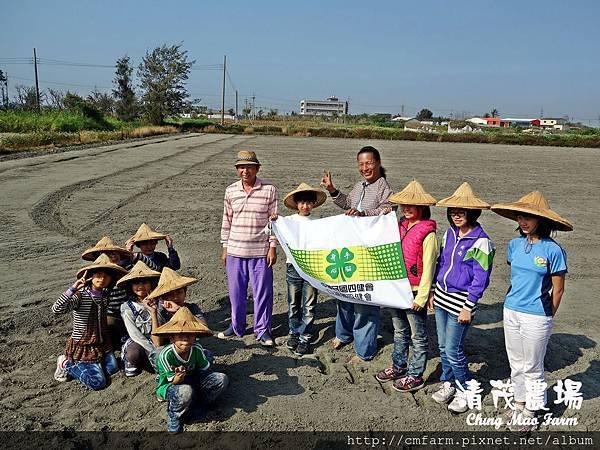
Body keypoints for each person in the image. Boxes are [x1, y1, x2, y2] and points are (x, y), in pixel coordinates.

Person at [491, 191, 572, 431]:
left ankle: (532, 411)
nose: (523, 221)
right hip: (511, 310)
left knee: (533, 365)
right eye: (520, 216)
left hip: (537, 315)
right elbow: (516, 279)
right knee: (515, 362)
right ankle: (519, 403)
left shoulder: (553, 250)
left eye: (529, 217)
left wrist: (547, 316)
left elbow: (558, 290)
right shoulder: (514, 245)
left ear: (541, 220)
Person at [320, 145, 393, 363]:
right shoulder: (360, 185)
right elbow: (349, 204)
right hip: (350, 250)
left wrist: (363, 214)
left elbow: (387, 210)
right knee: (344, 293)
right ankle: (343, 334)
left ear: (378, 163)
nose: (364, 168)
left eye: (369, 163)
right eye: (361, 164)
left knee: (364, 301)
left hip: (369, 253)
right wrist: (333, 190)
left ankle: (364, 350)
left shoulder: (383, 187)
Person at [427, 182, 495, 413]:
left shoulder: (481, 241)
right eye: (453, 211)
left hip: (461, 303)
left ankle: (466, 389)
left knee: (454, 349)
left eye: (461, 211)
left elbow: (481, 278)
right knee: (444, 346)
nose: (456, 215)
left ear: (472, 213)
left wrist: (469, 306)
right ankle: (449, 384)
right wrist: (434, 292)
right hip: (442, 297)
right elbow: (442, 264)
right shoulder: (448, 233)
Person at [376, 179, 438, 392]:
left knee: (418, 335)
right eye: (404, 205)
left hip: (414, 292)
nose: (407, 208)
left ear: (422, 207)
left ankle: (416, 374)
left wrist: (422, 297)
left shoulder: (428, 233)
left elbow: (429, 267)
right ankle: (398, 365)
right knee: (399, 331)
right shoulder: (398, 226)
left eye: (412, 205)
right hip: (396, 289)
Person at [218, 150, 278, 347]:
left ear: (257, 168)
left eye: (249, 166)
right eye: (241, 167)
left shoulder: (269, 190)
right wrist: (225, 246)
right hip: (235, 249)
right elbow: (226, 221)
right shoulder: (230, 191)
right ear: (237, 170)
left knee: (263, 293)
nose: (245, 171)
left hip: (260, 252)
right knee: (236, 293)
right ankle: (237, 327)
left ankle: (262, 330)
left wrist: (272, 247)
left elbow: (273, 222)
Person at [52, 253, 128, 390]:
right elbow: (57, 309)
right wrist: (72, 289)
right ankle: (66, 364)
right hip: (84, 344)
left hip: (100, 343)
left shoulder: (105, 296)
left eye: (106, 276)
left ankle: (94, 365)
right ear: (91, 276)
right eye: (98, 275)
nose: (102, 278)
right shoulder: (80, 296)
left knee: (112, 369)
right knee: (98, 383)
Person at [271, 183, 327, 356]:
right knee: (293, 303)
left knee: (309, 304)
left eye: (308, 202)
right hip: (293, 267)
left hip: (311, 268)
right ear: (296, 204)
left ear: (313, 204)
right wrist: (274, 220)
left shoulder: (318, 223)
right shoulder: (288, 221)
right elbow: (273, 232)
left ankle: (305, 336)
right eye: (302, 202)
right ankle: (294, 332)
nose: (305, 206)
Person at [154, 307, 228, 433]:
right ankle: (174, 415)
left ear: (195, 337)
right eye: (181, 335)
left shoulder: (197, 349)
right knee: (184, 391)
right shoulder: (166, 355)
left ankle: (199, 404)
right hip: (170, 385)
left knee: (221, 379)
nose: (186, 338)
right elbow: (173, 382)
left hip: (193, 379)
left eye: (189, 335)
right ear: (172, 338)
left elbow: (205, 371)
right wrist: (179, 376)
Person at [82, 236, 134, 352]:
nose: (112, 257)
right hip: (110, 313)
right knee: (108, 326)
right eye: (107, 255)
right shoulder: (95, 276)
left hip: (128, 309)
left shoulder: (127, 268)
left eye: (114, 254)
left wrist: (131, 255)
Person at [116, 261, 162, 377]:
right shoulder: (127, 307)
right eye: (136, 283)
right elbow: (135, 335)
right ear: (130, 286)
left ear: (152, 284)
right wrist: (154, 351)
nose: (141, 286)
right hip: (139, 340)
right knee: (134, 354)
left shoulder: (160, 301)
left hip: (159, 338)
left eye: (145, 282)